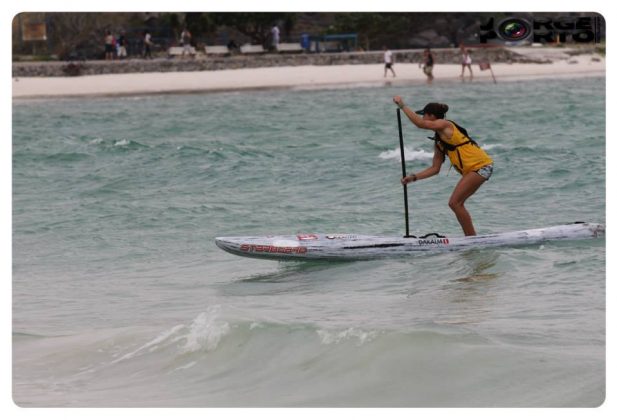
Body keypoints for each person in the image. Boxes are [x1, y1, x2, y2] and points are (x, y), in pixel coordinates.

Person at [392, 97, 494, 236]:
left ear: (432, 116)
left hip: (481, 166)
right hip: (474, 169)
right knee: (456, 203)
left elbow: (420, 124)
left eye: (424, 115)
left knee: (454, 203)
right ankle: (471, 238)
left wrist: (402, 105)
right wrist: (413, 177)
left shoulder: (445, 125)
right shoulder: (440, 141)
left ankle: (471, 238)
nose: (422, 117)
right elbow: (435, 169)